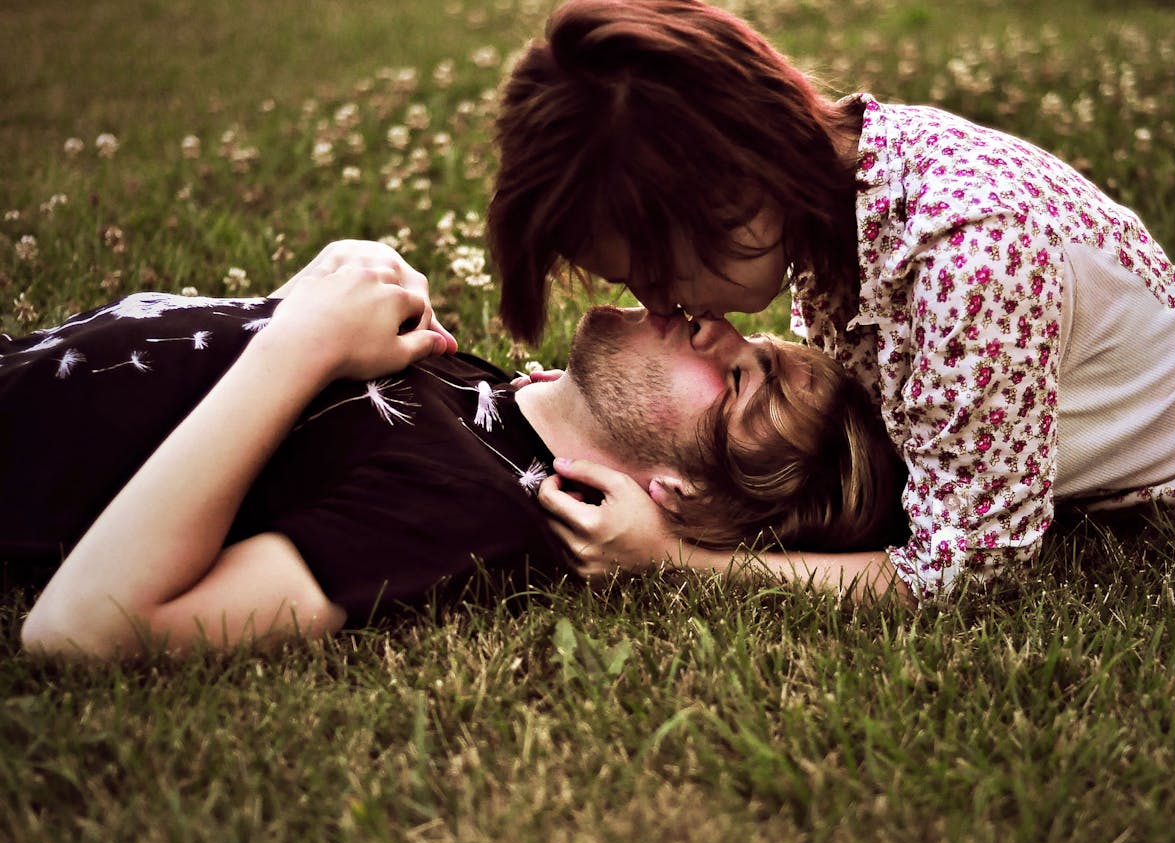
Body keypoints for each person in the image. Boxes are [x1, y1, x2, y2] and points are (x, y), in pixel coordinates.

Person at [487, 0, 1175, 603]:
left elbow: (962, 570)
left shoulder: (968, 254)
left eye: (655, 275)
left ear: (736, 193)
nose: (662, 308)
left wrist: (680, 559)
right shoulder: (844, 193)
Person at [3, 241, 903, 659]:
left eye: (741, 382)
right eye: (753, 339)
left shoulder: (470, 515)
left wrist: (303, 340)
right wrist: (303, 301)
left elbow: (83, 632)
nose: (715, 324)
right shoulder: (478, 386)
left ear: (680, 494)